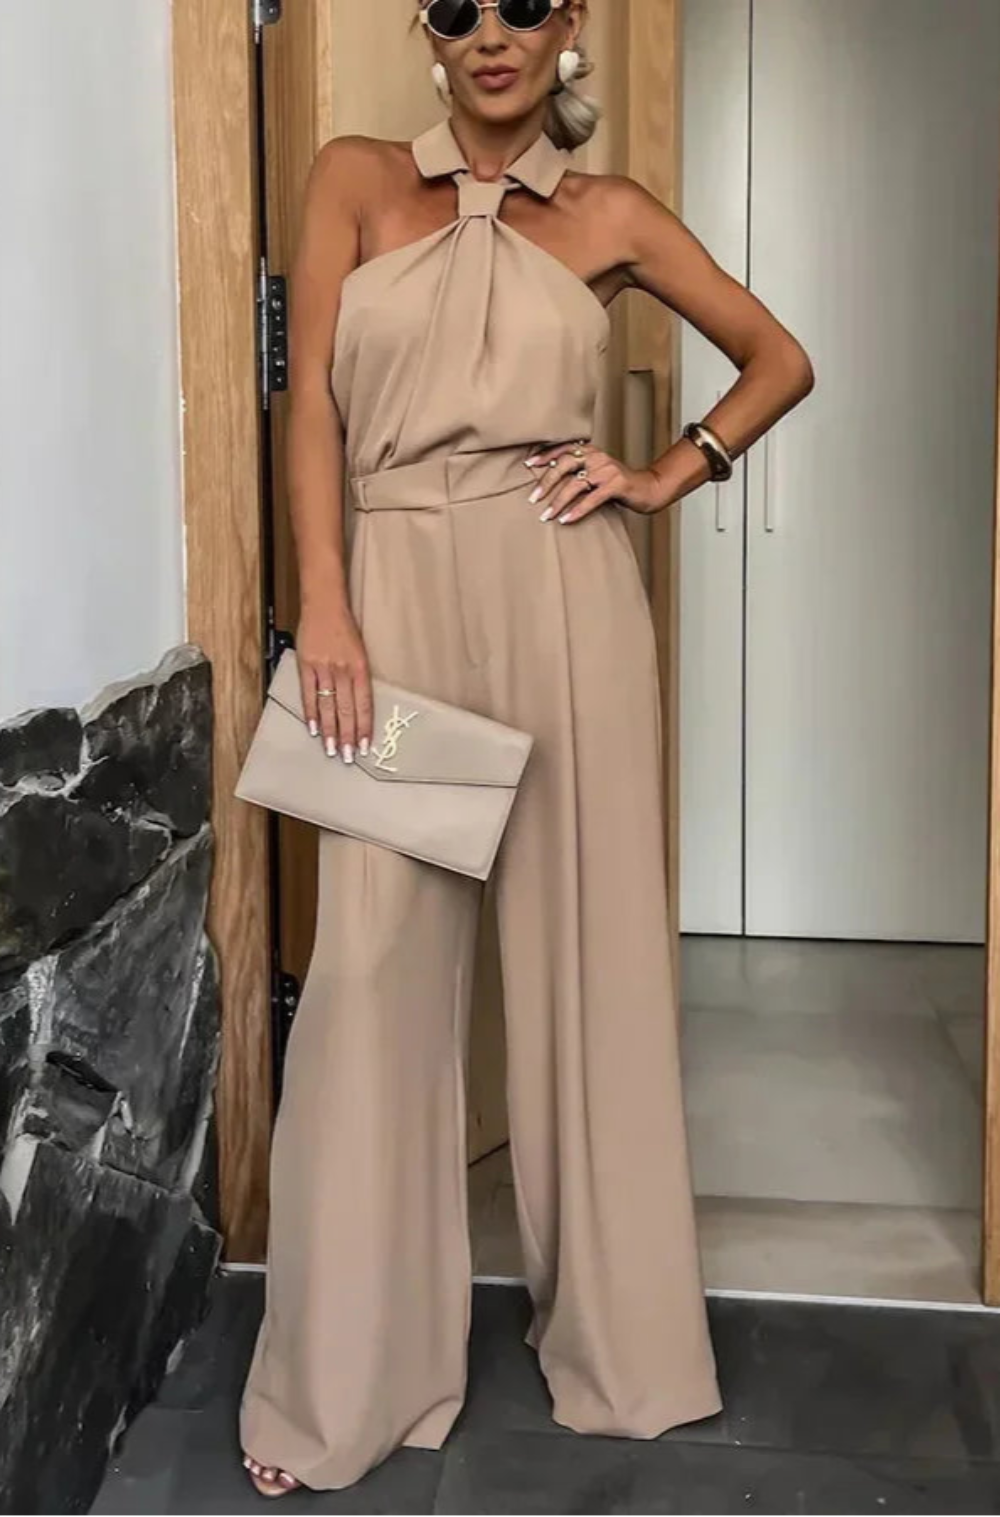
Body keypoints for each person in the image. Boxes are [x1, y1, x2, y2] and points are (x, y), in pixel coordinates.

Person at [241, 0, 813, 1496]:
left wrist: (665, 474)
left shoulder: (611, 212)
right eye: (456, 6)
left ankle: (624, 1353)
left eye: (522, 1)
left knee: (590, 970)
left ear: (567, 28)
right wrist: (327, 609)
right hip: (392, 600)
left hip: (565, 594)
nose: (488, 30)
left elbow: (778, 357)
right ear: (430, 36)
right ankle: (344, 1385)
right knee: (369, 977)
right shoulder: (353, 176)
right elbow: (311, 410)